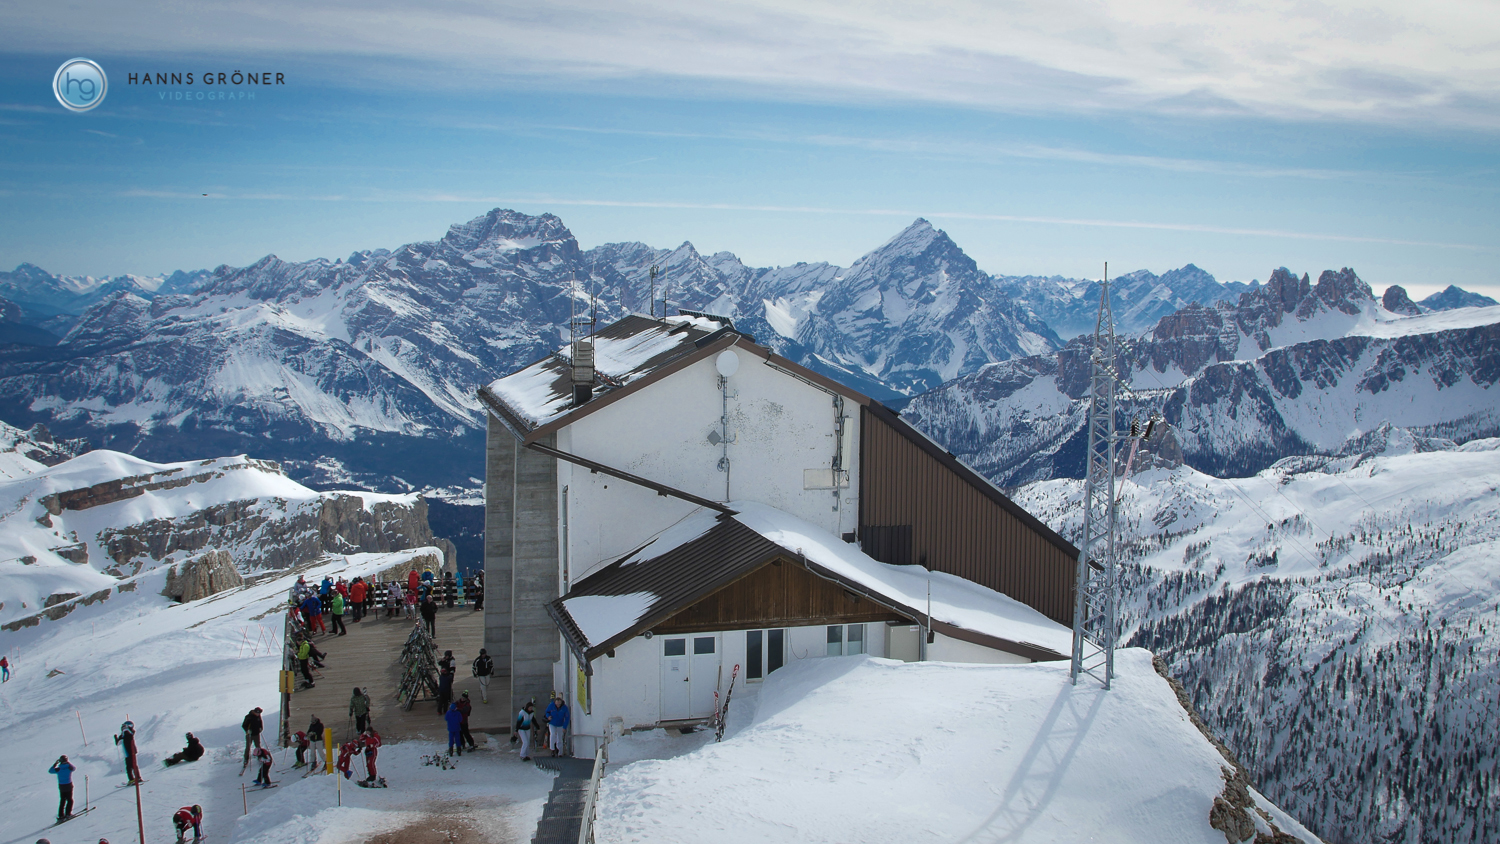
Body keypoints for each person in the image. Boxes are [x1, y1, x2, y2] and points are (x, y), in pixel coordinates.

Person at [115, 719, 143, 783]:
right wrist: (116, 738)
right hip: (126, 753)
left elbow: (131, 734)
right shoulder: (123, 734)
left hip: (131, 751)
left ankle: (135, 778)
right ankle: (133, 779)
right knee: (129, 766)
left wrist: (126, 729)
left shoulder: (128, 732)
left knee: (132, 766)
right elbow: (118, 743)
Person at [49, 755, 76, 821]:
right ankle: (68, 814)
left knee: (62, 800)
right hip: (69, 785)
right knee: (70, 800)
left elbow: (50, 771)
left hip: (62, 786)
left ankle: (61, 816)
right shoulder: (69, 768)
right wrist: (68, 763)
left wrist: (55, 764)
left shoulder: (58, 769)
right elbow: (74, 768)